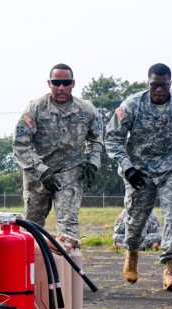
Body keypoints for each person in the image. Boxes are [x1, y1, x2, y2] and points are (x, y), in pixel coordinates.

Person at [106, 63, 172, 292]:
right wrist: (127, 167)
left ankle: (170, 268)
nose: (159, 90)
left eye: (163, 85)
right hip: (139, 169)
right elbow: (113, 138)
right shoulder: (131, 105)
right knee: (136, 219)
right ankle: (132, 252)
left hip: (171, 167)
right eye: (154, 85)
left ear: (170, 83)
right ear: (148, 83)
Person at [13, 63, 104, 241]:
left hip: (69, 172)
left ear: (73, 84)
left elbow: (96, 137)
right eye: (56, 83)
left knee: (68, 225)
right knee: (32, 225)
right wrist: (41, 170)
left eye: (66, 82)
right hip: (38, 174)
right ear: (49, 83)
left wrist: (93, 162)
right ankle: (34, 266)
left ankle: (68, 266)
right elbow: (20, 144)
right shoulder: (35, 109)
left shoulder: (86, 109)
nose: (61, 87)